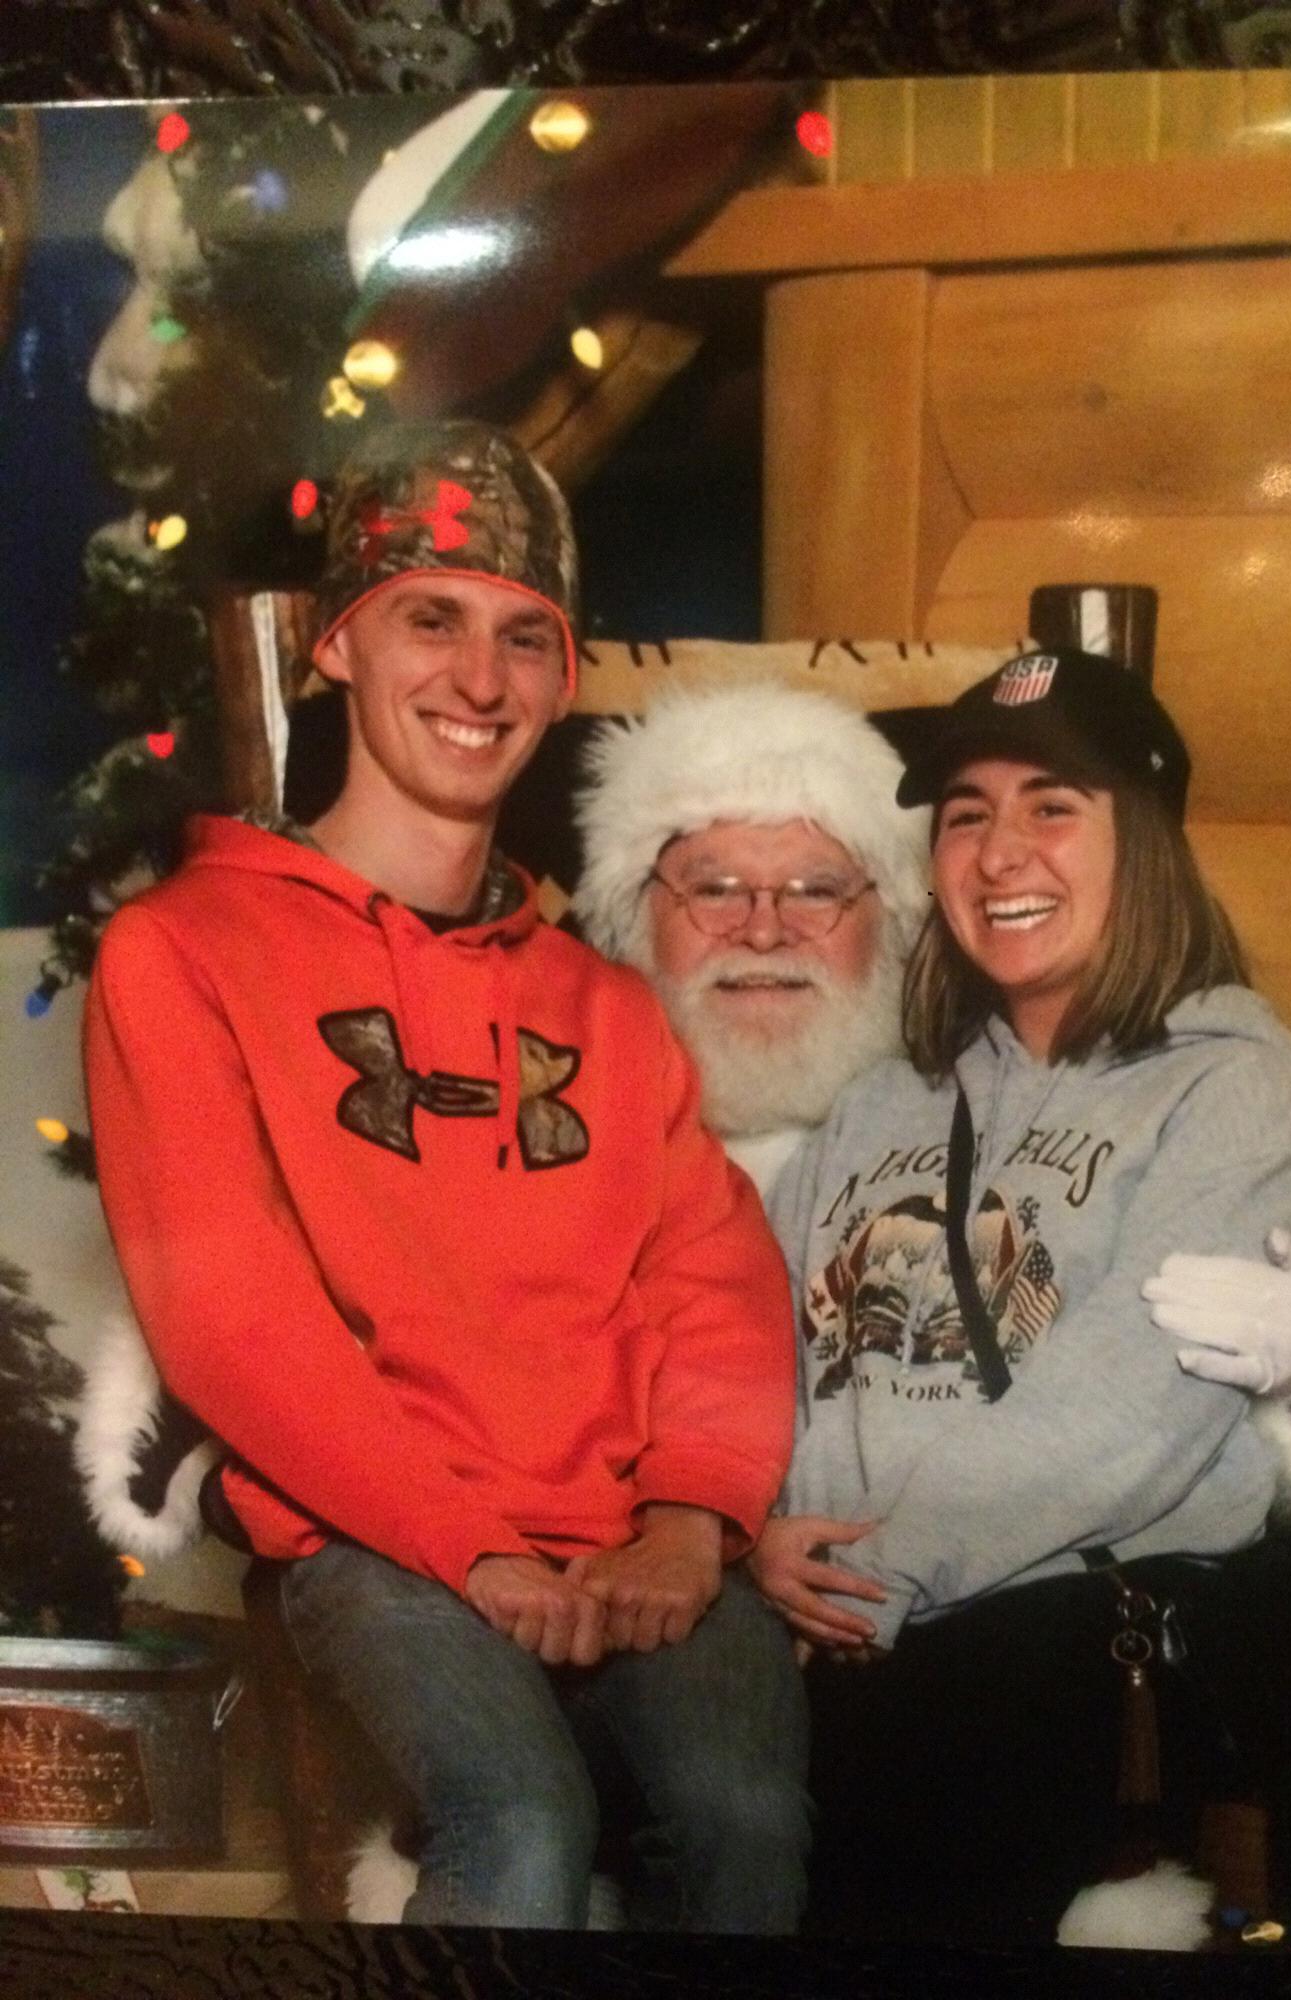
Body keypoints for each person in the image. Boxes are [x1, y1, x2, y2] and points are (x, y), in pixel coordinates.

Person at [82, 419, 810, 1933]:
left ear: (562, 675)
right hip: (377, 1536)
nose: (481, 681)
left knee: (745, 1819)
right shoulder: (185, 952)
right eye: (431, 619)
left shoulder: (604, 1006)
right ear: (338, 643)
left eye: (524, 638)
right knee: (523, 1823)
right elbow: (231, 1316)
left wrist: (691, 1515)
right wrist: (464, 1544)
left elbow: (714, 1277)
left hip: (628, 1535)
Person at [701, 649, 1291, 1945]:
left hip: (1054, 1655)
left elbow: (1125, 1408)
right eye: (966, 813)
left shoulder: (1227, 1093)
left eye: (1052, 806)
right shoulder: (882, 1099)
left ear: (1145, 840)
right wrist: (761, 1531)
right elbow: (762, 1336)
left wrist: (880, 1576)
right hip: (842, 1623)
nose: (999, 853)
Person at [571, 679, 1291, 1528]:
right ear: (628, 918)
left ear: (891, 921)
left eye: (818, 890)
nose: (765, 929)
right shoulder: (550, 1134)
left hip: (978, 1604)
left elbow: (1167, 1374)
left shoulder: (1176, 1094)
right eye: (713, 889)